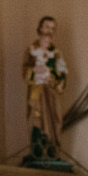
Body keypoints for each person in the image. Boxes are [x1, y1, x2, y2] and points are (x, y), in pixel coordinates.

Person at [23, 15, 67, 156]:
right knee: (37, 119)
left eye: (53, 29)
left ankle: (52, 152)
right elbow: (25, 71)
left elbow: (63, 73)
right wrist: (37, 72)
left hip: (52, 93)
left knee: (54, 119)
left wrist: (59, 82)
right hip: (37, 92)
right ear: (40, 28)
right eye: (47, 27)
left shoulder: (57, 53)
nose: (50, 31)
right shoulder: (32, 51)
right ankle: (37, 152)